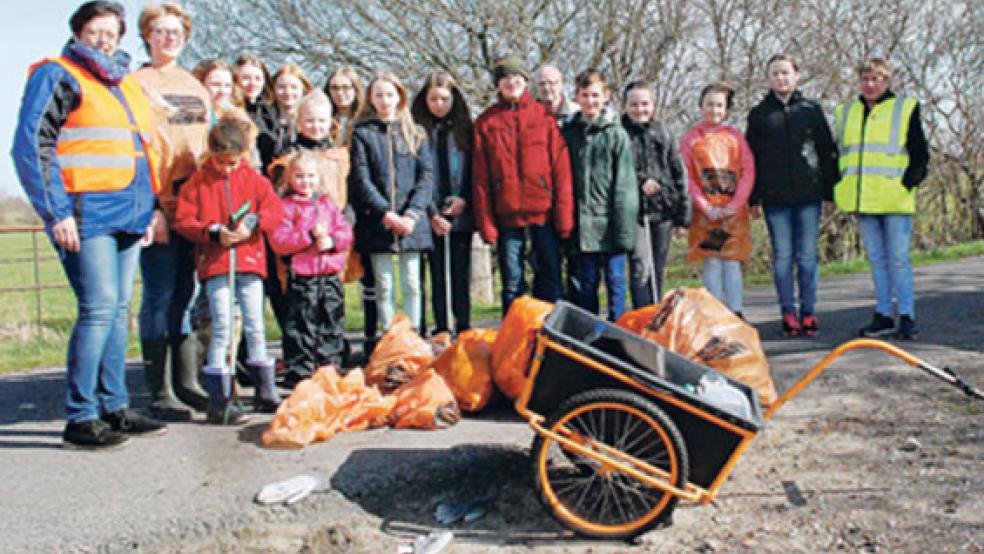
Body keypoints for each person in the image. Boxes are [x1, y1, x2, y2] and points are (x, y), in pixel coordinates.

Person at [12, 0, 167, 449]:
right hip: (86, 212)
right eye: (96, 31)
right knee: (98, 309)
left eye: (112, 33)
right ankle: (80, 417)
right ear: (78, 33)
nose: (104, 40)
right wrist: (55, 211)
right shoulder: (57, 74)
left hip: (129, 210)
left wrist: (150, 208)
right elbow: (30, 145)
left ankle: (114, 407)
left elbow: (144, 150)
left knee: (119, 311)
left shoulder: (123, 83)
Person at [174, 118, 284, 424]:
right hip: (217, 263)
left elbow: (274, 210)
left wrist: (253, 222)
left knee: (255, 323)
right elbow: (184, 220)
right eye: (221, 162)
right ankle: (220, 399)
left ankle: (265, 391)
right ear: (210, 154)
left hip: (249, 260)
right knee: (222, 325)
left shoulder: (255, 181)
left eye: (232, 163)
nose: (226, 169)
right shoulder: (197, 183)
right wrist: (211, 232)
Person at [131, 1, 211, 421]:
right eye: (160, 31)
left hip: (192, 207)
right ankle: (159, 391)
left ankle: (187, 382)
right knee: (159, 294)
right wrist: (152, 210)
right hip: (159, 205)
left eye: (176, 31)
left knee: (187, 293)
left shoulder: (193, 85)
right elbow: (139, 152)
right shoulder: (137, 83)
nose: (169, 38)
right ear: (147, 35)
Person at [834, 58, 929, 340]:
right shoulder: (846, 112)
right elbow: (839, 154)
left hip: (895, 198)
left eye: (876, 79)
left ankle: (907, 315)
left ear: (887, 81)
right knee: (877, 260)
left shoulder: (904, 108)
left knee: (898, 259)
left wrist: (907, 183)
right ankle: (883, 313)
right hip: (863, 200)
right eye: (865, 78)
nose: (870, 84)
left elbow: (919, 154)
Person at [472, 56, 574, 316]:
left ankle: (553, 339)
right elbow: (480, 179)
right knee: (513, 283)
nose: (511, 82)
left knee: (550, 277)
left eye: (516, 77)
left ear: (525, 82)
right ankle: (513, 340)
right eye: (505, 78)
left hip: (544, 214)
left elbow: (561, 169)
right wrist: (486, 223)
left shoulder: (543, 117)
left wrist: (564, 216)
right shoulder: (486, 123)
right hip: (508, 217)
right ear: (497, 85)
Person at [746, 55, 839, 337]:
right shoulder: (760, 114)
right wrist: (753, 199)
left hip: (809, 195)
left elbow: (827, 153)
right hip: (775, 198)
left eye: (785, 73)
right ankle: (788, 312)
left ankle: (808, 311)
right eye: (775, 74)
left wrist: (830, 193)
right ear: (769, 78)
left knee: (808, 257)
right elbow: (750, 159)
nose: (781, 78)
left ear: (796, 75)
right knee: (783, 257)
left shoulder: (811, 110)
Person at [349, 71, 434, 331]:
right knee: (383, 285)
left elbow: (426, 176)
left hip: (412, 222)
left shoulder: (415, 133)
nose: (385, 100)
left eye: (390, 94)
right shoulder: (363, 133)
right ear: (371, 99)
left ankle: (412, 335)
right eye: (379, 95)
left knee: (412, 283)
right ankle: (388, 338)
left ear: (399, 96)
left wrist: (413, 213)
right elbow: (362, 178)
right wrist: (385, 211)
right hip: (379, 221)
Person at [269, 151, 354, 382]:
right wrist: (308, 236)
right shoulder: (285, 206)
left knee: (331, 321)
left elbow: (345, 231)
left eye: (310, 176)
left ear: (318, 177)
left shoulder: (328, 204)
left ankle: (329, 366)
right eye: (299, 177)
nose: (305, 182)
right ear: (289, 179)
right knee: (301, 324)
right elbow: (280, 241)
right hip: (302, 275)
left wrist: (332, 242)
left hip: (329, 273)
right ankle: (301, 369)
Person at [562, 69, 638, 321]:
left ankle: (617, 328)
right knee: (587, 282)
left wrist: (624, 230)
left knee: (616, 281)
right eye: (584, 95)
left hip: (611, 222)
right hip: (583, 225)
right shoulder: (569, 133)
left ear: (606, 96)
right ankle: (590, 332)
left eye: (595, 95)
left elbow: (625, 187)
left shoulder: (616, 134)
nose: (590, 101)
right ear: (576, 96)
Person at [681, 82, 755, 317]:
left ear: (726, 109)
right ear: (701, 106)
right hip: (705, 214)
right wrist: (704, 205)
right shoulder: (691, 140)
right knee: (711, 260)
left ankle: (735, 310)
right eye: (710, 104)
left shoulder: (735, 139)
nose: (714, 110)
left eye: (719, 105)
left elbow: (747, 171)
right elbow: (687, 176)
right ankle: (714, 311)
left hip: (733, 214)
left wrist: (735, 205)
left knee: (732, 260)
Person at [411, 72, 475, 335]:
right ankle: (438, 327)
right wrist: (432, 212)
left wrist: (465, 200)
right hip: (429, 213)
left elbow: (475, 171)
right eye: (434, 99)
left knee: (461, 273)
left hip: (460, 211)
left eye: (445, 99)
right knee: (434, 274)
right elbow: (416, 175)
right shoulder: (416, 131)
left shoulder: (465, 131)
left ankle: (463, 325)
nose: (439, 104)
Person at [621, 80, 691, 308]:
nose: (640, 109)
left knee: (657, 268)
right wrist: (641, 181)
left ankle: (655, 315)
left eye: (644, 104)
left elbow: (678, 172)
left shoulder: (664, 133)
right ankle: (643, 315)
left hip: (664, 209)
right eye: (634, 105)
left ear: (653, 105)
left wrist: (683, 216)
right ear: (625, 106)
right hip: (636, 212)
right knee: (641, 267)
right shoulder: (620, 134)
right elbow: (619, 169)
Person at [325, 66, 377, 354]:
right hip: (333, 203)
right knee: (336, 275)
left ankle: (370, 336)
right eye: (335, 88)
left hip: (362, 202)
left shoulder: (365, 122)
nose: (341, 94)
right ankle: (337, 337)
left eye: (347, 88)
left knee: (368, 275)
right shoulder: (325, 120)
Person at [323, 66, 367, 147]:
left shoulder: (366, 120)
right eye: (334, 88)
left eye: (346, 87)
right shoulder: (322, 119)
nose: (339, 92)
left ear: (356, 89)